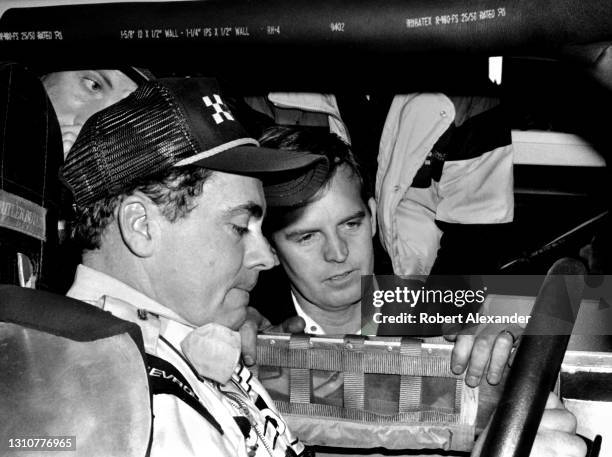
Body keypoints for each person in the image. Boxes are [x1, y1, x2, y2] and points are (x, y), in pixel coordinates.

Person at [60, 76, 328, 456]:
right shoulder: (143, 406)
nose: (267, 257)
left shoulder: (174, 343)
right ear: (141, 226)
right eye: (239, 227)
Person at [254, 126, 519, 387]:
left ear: (372, 218)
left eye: (350, 224)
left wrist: (509, 336)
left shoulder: (432, 315)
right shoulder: (254, 333)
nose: (338, 253)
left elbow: (542, 308)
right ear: (270, 248)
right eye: (307, 237)